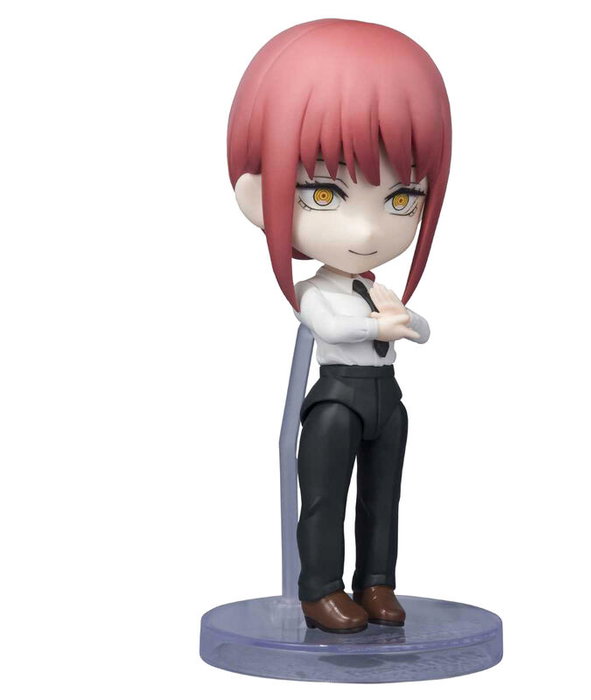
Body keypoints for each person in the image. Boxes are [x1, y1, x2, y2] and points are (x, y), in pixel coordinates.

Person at [228, 19, 451, 633]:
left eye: (402, 198)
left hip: (386, 399)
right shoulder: (316, 290)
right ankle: (320, 589)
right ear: (259, 196)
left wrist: (405, 320)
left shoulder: (377, 288)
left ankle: (376, 582)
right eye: (325, 194)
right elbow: (332, 326)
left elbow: (418, 329)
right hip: (337, 398)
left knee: (383, 497)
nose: (367, 231)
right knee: (324, 499)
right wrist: (381, 327)